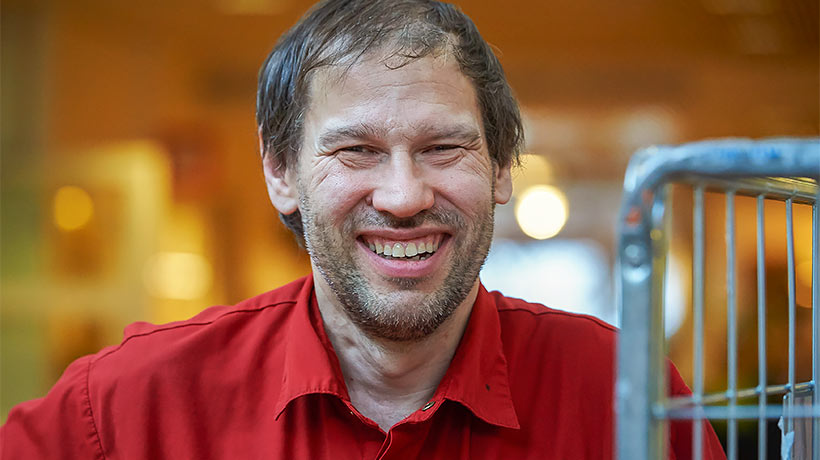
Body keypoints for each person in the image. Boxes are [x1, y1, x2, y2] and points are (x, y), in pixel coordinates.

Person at [1, 1, 725, 458]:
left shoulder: (624, 397)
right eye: (357, 151)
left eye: (444, 148)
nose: (405, 196)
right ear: (280, 170)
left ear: (503, 171)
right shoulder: (124, 411)